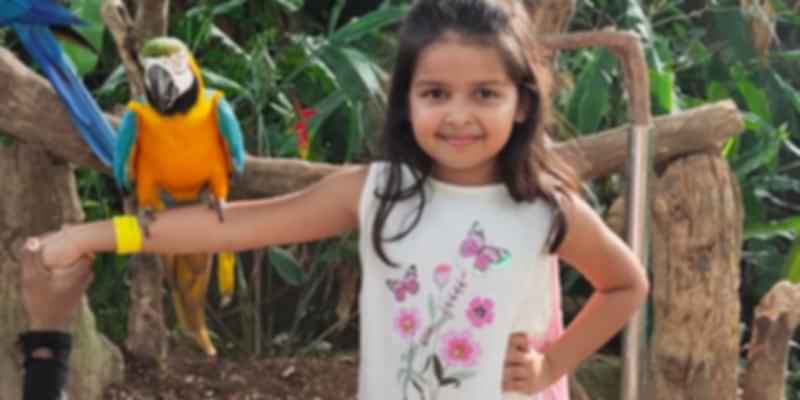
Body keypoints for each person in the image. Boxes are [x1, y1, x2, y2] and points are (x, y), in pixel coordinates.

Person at [23, 0, 649, 398]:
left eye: (485, 94)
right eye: (435, 93)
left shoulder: (547, 208)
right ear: (407, 100)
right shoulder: (374, 193)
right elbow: (232, 228)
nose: (459, 115)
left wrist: (549, 366)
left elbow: (626, 284)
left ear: (522, 103)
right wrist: (97, 235)